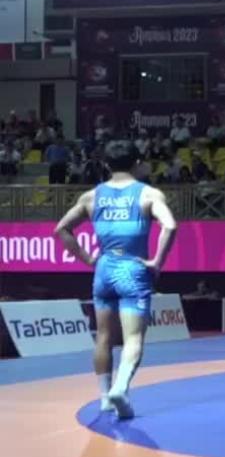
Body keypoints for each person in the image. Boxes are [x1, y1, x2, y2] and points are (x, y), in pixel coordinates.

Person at [53, 140, 178, 420]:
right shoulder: (149, 194)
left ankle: (104, 398)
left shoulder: (91, 197)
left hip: (104, 269)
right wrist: (157, 261)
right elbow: (170, 226)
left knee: (103, 337)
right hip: (133, 269)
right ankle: (120, 388)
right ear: (137, 163)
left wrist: (87, 259)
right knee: (133, 338)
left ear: (106, 165)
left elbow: (61, 229)